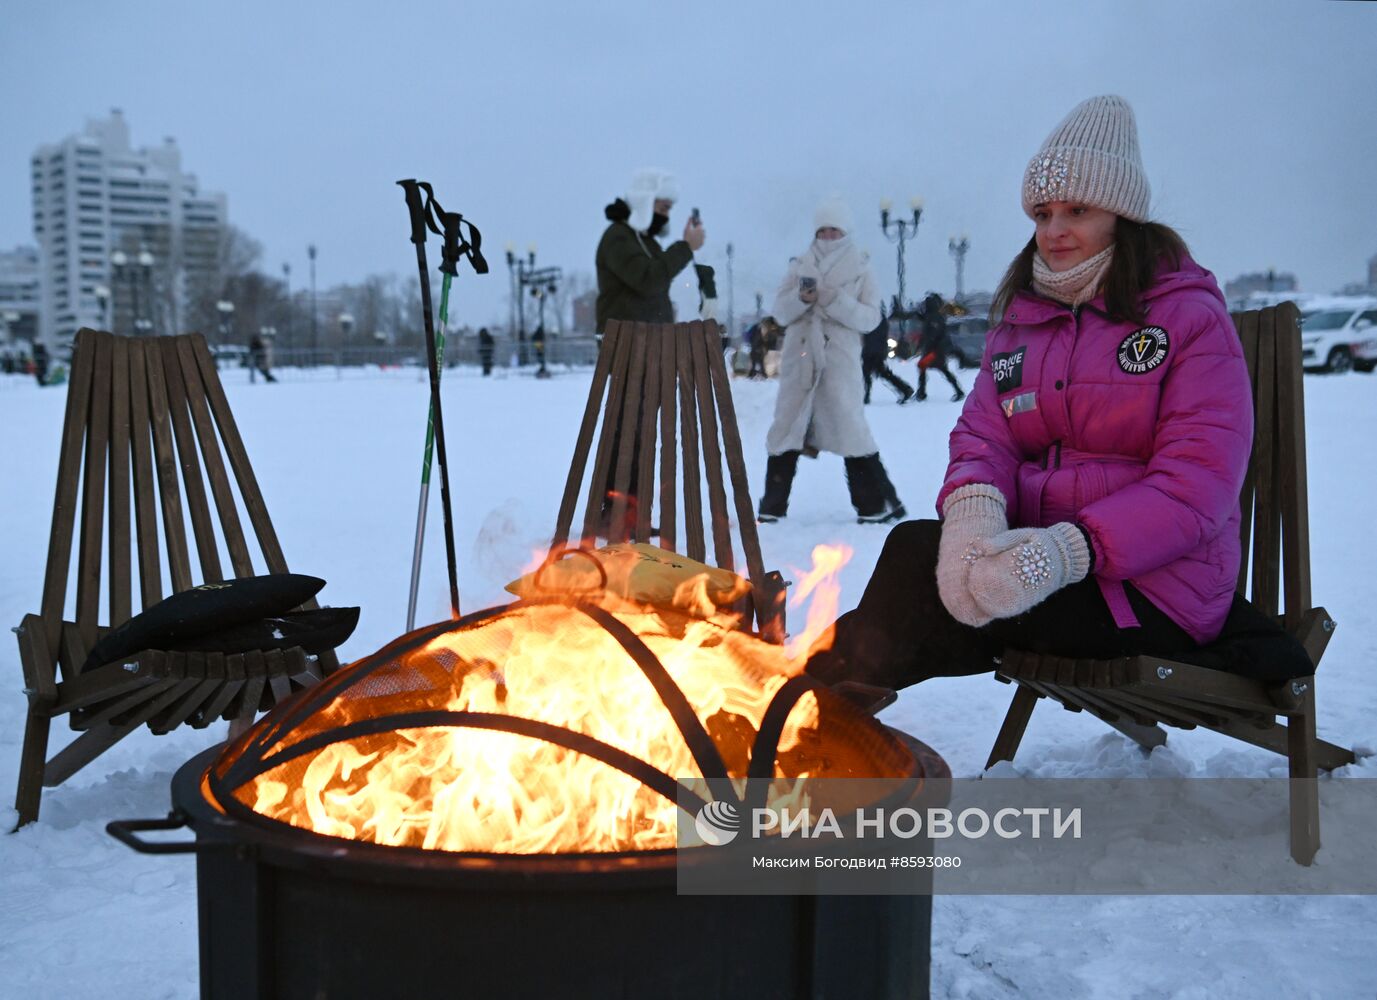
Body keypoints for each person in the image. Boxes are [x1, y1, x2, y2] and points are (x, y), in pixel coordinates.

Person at [806, 94, 1311, 691]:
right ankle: (812, 703)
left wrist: (1068, 551)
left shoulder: (1187, 319)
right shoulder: (1024, 320)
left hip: (1153, 589)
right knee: (916, 553)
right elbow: (984, 437)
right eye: (1042, 214)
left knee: (916, 598)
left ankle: (804, 709)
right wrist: (974, 514)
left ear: (1123, 215)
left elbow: (1195, 483)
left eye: (1077, 210)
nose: (1054, 231)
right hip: (1039, 565)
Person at [757, 196, 907, 525]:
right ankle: (772, 505)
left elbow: (869, 319)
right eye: (822, 231)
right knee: (786, 429)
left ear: (845, 232)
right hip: (801, 361)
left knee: (851, 431)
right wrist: (801, 299)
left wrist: (833, 299)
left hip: (838, 361)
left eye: (834, 231)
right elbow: (780, 313)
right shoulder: (799, 266)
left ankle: (876, 504)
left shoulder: (861, 269)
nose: (827, 237)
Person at [594, 169, 707, 533]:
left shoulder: (642, 240)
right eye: (661, 207)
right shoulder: (619, 238)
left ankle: (630, 514)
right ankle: (613, 513)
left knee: (640, 431)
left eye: (668, 208)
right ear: (644, 203)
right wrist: (685, 248)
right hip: (628, 347)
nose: (665, 215)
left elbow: (656, 280)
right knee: (625, 430)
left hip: (648, 346)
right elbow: (649, 279)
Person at [913, 292, 964, 402]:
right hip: (935, 350)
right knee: (940, 369)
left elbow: (932, 334)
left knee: (924, 366)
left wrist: (926, 345)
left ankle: (922, 393)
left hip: (934, 350)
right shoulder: (935, 316)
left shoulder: (933, 317)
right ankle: (958, 391)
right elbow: (927, 325)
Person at [861, 314, 915, 405]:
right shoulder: (880, 318)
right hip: (876, 351)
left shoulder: (872, 317)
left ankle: (866, 396)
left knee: (869, 373)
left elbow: (869, 335)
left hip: (871, 351)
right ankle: (905, 389)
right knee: (882, 373)